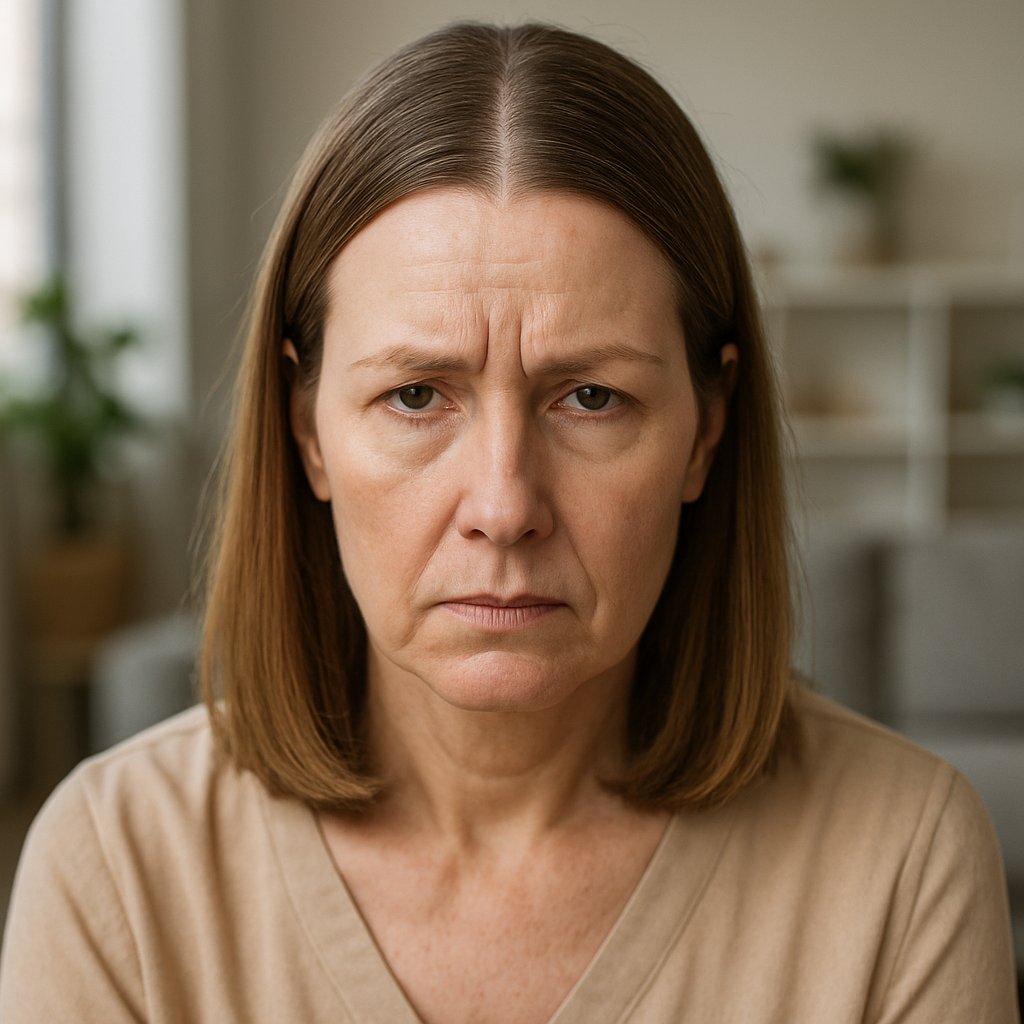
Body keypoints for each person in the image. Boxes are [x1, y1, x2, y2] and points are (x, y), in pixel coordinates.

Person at [0, 22, 1017, 1024]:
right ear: (305, 426)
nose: (502, 506)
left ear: (706, 428)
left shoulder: (902, 858)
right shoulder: (115, 870)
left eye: (589, 397)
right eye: (414, 395)